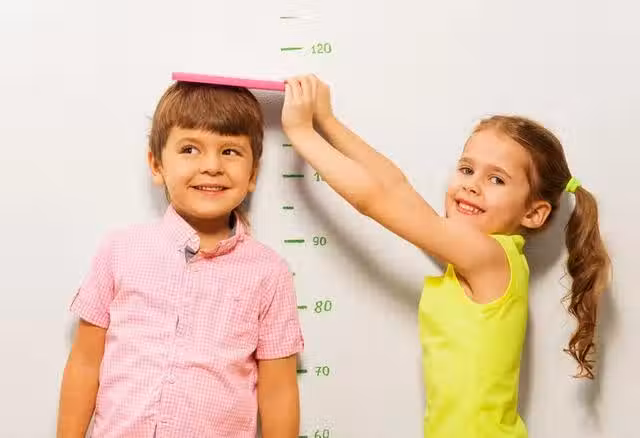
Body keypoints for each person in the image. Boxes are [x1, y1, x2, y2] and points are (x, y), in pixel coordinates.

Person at [280, 74, 610, 437]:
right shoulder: (485, 255)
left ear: (533, 213)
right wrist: (328, 122)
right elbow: (394, 185)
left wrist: (302, 134)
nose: (472, 185)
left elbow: (376, 199)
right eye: (467, 169)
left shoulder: (488, 255)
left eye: (497, 179)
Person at [57, 81, 304, 438]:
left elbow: (279, 391)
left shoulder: (270, 273)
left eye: (230, 151)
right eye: (190, 149)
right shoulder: (119, 250)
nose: (212, 166)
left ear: (253, 174)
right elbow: (85, 362)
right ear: (156, 165)